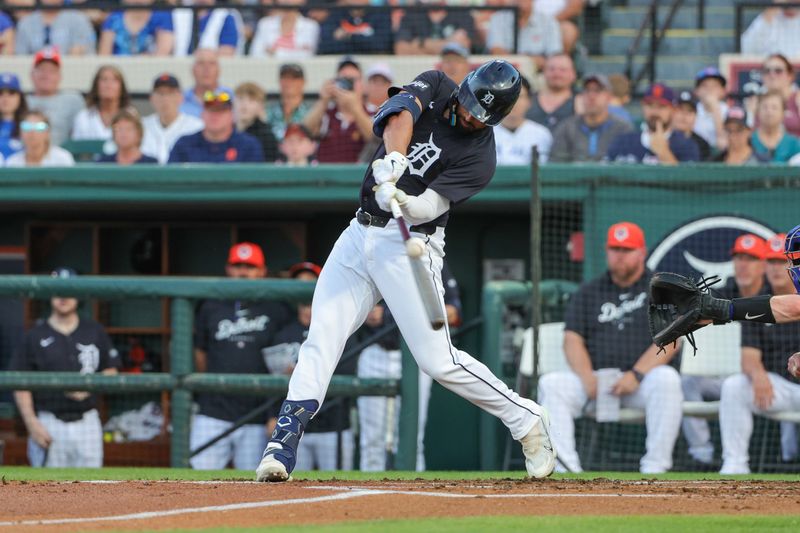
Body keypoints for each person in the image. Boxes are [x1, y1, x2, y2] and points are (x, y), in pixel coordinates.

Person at [255, 60, 557, 483]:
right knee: (322, 337)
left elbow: (431, 207)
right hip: (360, 233)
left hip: (411, 243)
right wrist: (393, 161)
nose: (468, 114)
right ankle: (282, 445)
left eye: (480, 114)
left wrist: (404, 200)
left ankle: (526, 418)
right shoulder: (437, 85)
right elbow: (400, 116)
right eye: (469, 103)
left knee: (439, 361)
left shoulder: (481, 156)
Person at [539, 222, 683, 474]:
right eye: (615, 249)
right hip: (595, 382)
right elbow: (572, 339)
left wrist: (636, 374)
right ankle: (566, 469)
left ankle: (655, 468)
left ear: (642, 252)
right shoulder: (589, 291)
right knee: (551, 384)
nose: (620, 255)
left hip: (641, 383)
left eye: (627, 249)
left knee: (667, 379)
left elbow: (672, 339)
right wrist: (586, 378)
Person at [191, 243, 291, 470]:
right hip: (213, 411)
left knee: (252, 484)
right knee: (197, 477)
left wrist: (272, 411)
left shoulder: (277, 307)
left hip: (255, 413)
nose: (243, 272)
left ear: (262, 272)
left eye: (250, 267)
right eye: (238, 266)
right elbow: (200, 353)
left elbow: (281, 361)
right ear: (228, 269)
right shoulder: (210, 305)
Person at [9, 268, 121, 468]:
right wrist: (32, 423)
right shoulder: (34, 335)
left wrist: (88, 387)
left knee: (91, 490)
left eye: (68, 289)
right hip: (49, 421)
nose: (63, 296)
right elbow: (20, 382)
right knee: (48, 491)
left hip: (87, 420)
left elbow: (112, 371)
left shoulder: (94, 331)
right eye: (57, 289)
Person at [357, 261, 463, 472]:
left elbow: (454, 311)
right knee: (372, 439)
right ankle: (368, 494)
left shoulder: (428, 256)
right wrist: (368, 311)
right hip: (376, 350)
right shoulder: (373, 255)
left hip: (415, 354)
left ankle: (414, 493)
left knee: (412, 435)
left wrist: (401, 314)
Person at [680, 234, 770, 468]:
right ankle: (702, 454)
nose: (743, 264)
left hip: (755, 377)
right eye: (739, 258)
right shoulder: (719, 294)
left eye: (751, 258)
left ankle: (787, 455)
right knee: (687, 381)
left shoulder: (773, 297)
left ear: (763, 265)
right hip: (719, 375)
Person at [718, 236, 800, 475]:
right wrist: (758, 374)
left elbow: (792, 306)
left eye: (781, 261)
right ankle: (734, 465)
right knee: (735, 386)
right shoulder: (759, 301)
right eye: (772, 262)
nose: (777, 268)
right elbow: (749, 356)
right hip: (779, 387)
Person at [270, 262, 356, 471]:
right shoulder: (284, 332)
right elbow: (271, 378)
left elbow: (349, 371)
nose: (308, 307)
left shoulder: (340, 330)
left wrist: (306, 371)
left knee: (339, 485)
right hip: (296, 427)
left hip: (333, 424)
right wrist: (272, 416)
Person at [606, 83, 700, 165]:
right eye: (650, 105)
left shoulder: (686, 145)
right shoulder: (623, 141)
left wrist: (664, 153)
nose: (654, 111)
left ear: (673, 110)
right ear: (643, 107)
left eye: (661, 106)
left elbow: (688, 183)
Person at [303, 57, 374, 163]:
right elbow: (306, 130)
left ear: (362, 85)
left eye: (353, 80)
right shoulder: (326, 113)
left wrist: (355, 109)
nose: (349, 85)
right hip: (326, 176)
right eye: (344, 80)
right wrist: (323, 101)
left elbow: (374, 139)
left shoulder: (373, 112)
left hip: (360, 177)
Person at [550, 73, 632, 163]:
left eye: (598, 91)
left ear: (608, 97)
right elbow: (557, 164)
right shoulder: (567, 128)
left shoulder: (622, 128)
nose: (591, 96)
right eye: (587, 90)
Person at [169, 89, 264, 163]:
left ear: (231, 115)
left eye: (221, 111)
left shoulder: (248, 146)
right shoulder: (184, 145)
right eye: (211, 110)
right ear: (202, 114)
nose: (215, 115)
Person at [26, 48, 85, 146]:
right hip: (27, 156)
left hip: (63, 157)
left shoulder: (73, 100)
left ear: (59, 76)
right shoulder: (22, 101)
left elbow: (81, 133)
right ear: (32, 75)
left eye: (51, 71)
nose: (46, 75)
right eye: (42, 70)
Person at [141, 74, 204, 165]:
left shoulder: (196, 126)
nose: (165, 99)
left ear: (181, 98)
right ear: (151, 98)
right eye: (160, 93)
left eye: (170, 93)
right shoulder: (141, 126)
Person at [486, 0, 562, 69]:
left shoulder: (548, 21)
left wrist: (516, 59)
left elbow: (553, 58)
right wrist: (532, 59)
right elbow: (497, 52)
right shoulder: (498, 18)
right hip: (505, 73)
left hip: (539, 73)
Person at [494, 75, 552, 165]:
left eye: (519, 96)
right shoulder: (484, 133)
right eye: (506, 96)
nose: (513, 102)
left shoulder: (542, 134)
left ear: (529, 101)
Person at [71, 66, 132, 142]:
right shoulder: (83, 117)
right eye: (104, 79)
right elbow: (77, 148)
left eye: (114, 80)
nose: (109, 84)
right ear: (96, 86)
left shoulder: (131, 116)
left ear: (121, 87)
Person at [14, 0, 96, 55]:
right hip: (34, 73)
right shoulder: (26, 22)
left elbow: (88, 52)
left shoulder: (79, 19)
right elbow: (20, 56)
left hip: (69, 72)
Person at [746, 55, 800, 138]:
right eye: (767, 71)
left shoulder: (797, 99)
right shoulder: (755, 102)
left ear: (790, 75)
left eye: (778, 71)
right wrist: (750, 115)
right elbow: (747, 139)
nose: (772, 75)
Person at [394, 0, 475, 55]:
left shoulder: (460, 13)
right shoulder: (413, 13)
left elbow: (464, 46)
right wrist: (450, 43)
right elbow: (401, 49)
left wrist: (420, 44)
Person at [98, 0, 174, 56]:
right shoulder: (113, 18)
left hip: (151, 69)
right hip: (117, 73)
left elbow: (164, 53)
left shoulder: (162, 16)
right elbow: (104, 55)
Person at [249, 0, 320, 59]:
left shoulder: (311, 25)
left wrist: (276, 52)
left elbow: (306, 56)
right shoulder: (265, 23)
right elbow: (255, 54)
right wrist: (294, 51)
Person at [318, 1, 392, 55]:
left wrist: (350, 35)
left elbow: (382, 45)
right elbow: (325, 45)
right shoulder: (336, 14)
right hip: (342, 60)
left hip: (371, 61)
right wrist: (364, 42)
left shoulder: (380, 14)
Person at [174, 0, 244, 56]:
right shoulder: (178, 14)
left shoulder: (226, 17)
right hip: (180, 68)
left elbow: (227, 52)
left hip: (212, 70)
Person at [5, 110, 74, 167]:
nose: (32, 132)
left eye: (39, 127)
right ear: (20, 132)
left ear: (48, 133)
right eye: (26, 126)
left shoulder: (62, 159)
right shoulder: (12, 162)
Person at [527, 53, 576, 132]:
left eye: (562, 70)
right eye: (551, 69)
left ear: (573, 74)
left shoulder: (581, 101)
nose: (556, 74)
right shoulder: (527, 99)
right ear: (543, 72)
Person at [234, 82, 279, 162]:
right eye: (240, 98)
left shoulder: (266, 136)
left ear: (260, 106)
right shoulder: (226, 131)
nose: (244, 105)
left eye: (251, 100)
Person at [750, 90, 800, 163]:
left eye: (774, 107)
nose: (769, 112)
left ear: (783, 112)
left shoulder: (794, 144)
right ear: (757, 112)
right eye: (765, 107)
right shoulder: (748, 141)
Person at [181, 49, 232, 119]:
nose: (206, 69)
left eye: (212, 63)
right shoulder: (180, 99)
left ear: (219, 70)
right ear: (192, 69)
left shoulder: (232, 98)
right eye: (201, 63)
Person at [266, 63, 311, 142]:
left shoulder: (311, 114)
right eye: (285, 78)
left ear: (303, 82)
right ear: (279, 81)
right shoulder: (267, 113)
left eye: (294, 78)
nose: (289, 82)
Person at [692, 67, 728, 151]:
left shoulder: (730, 111)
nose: (710, 89)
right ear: (696, 91)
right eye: (705, 85)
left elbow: (723, 144)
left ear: (723, 91)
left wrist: (715, 109)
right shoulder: (691, 111)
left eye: (715, 85)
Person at [672, 90, 712, 162]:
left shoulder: (702, 145)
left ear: (696, 116)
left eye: (689, 111)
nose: (684, 115)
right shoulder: (663, 138)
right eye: (679, 110)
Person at [0, 73, 27, 159]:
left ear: (20, 97)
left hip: (21, 171)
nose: (5, 98)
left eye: (11, 93)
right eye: (0, 93)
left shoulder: (29, 124)